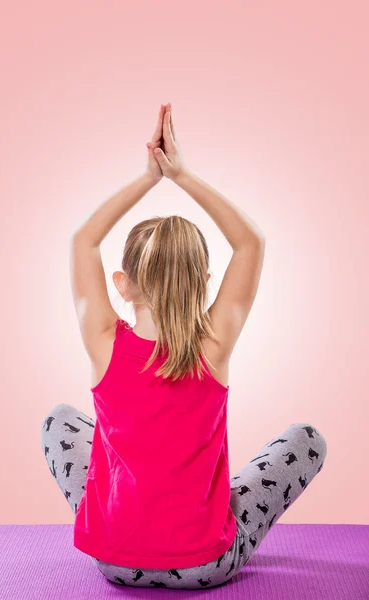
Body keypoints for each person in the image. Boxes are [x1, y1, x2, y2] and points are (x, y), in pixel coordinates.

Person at [41, 103, 327, 590]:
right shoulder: (214, 345)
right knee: (307, 440)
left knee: (59, 421)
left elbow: (83, 241)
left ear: (122, 284)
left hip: (115, 560)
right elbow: (251, 243)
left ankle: (118, 515)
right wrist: (182, 175)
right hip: (204, 566)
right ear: (206, 283)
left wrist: (149, 177)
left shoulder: (103, 344)